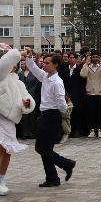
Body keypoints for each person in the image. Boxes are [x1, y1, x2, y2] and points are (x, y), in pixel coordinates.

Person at [0, 49, 36, 196]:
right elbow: (5, 62)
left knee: (8, 151)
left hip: (10, 120)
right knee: (0, 148)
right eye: (12, 62)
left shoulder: (18, 83)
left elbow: (27, 100)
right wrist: (20, 53)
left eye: (16, 63)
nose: (13, 65)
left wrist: (27, 103)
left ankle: (2, 179)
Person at [23, 50, 76, 187]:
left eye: (47, 63)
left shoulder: (57, 82)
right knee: (41, 148)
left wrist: (63, 114)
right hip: (45, 117)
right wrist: (29, 58)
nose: (44, 65)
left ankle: (53, 177)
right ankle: (65, 165)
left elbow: (62, 104)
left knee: (44, 149)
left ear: (56, 65)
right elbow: (34, 69)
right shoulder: (46, 76)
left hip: (53, 117)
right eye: (44, 63)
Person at [80, 52, 101, 138]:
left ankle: (100, 130)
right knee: (91, 113)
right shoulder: (88, 67)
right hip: (90, 93)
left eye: (97, 57)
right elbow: (82, 75)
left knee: (100, 113)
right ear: (91, 58)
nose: (95, 59)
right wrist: (86, 63)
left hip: (99, 93)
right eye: (93, 57)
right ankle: (92, 130)